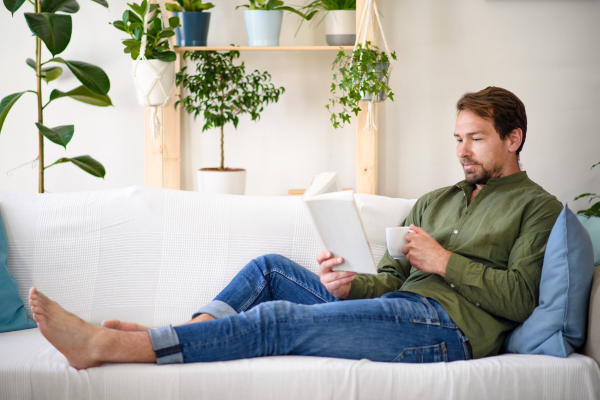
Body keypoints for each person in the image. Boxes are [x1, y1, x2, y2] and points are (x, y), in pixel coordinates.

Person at [28, 86, 563, 370]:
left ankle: (108, 347)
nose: (460, 151)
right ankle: (184, 331)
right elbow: (392, 277)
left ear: (512, 139)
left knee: (279, 320)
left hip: (448, 331)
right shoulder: (434, 201)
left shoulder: (538, 208)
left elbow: (520, 299)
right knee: (269, 271)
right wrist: (351, 284)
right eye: (456, 138)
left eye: (474, 139)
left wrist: (444, 262)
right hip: (400, 307)